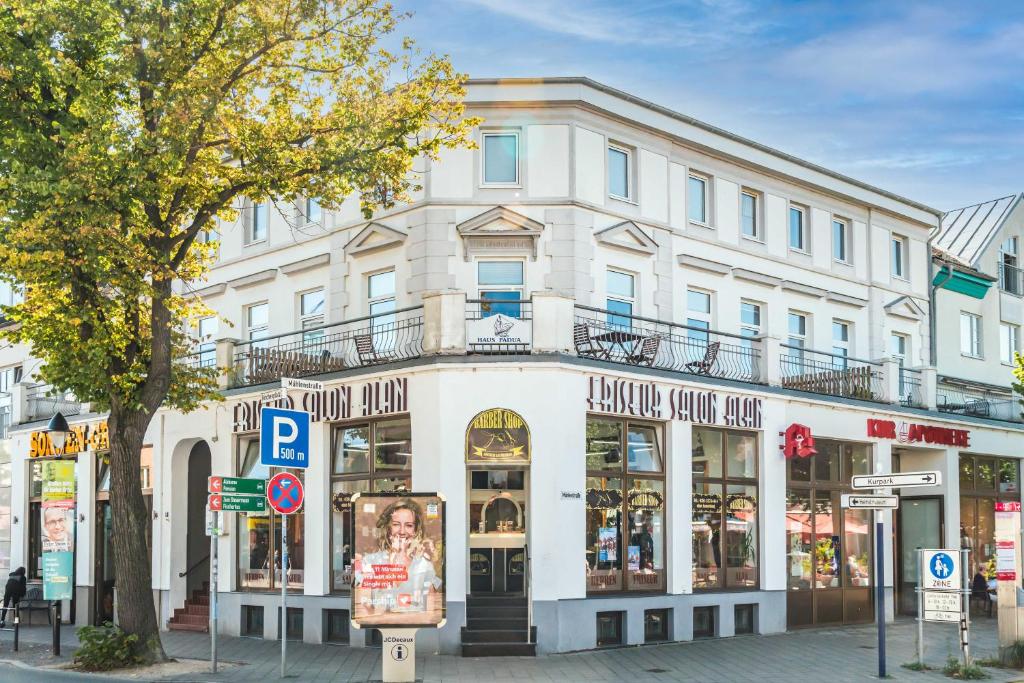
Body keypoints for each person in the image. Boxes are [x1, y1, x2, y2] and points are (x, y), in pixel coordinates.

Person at [354, 498, 441, 615]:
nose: (402, 531)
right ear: (388, 528)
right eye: (396, 525)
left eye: (409, 525)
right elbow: (363, 608)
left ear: (416, 530)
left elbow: (431, 611)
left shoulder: (424, 565)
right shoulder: (370, 561)